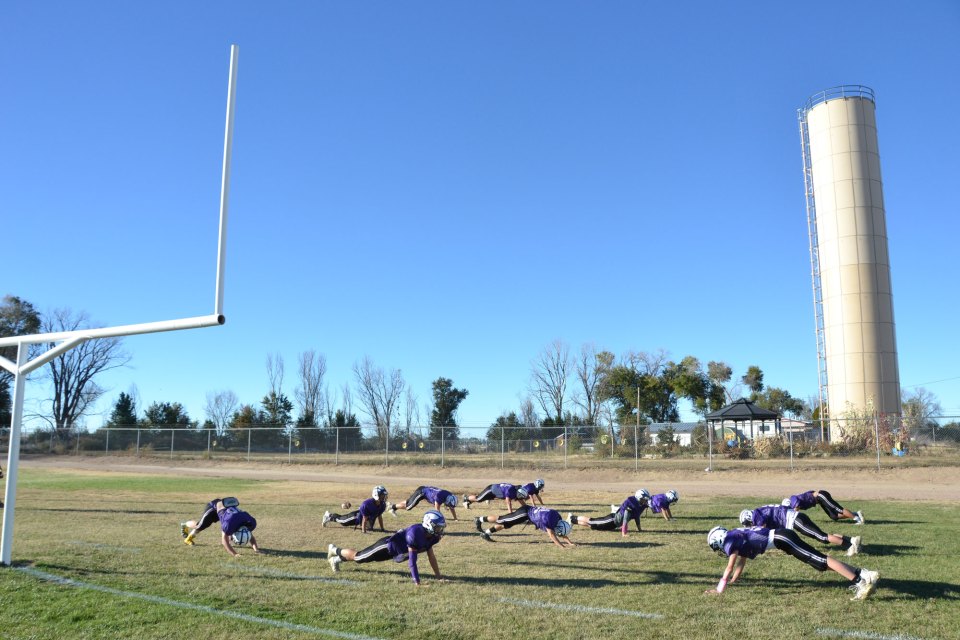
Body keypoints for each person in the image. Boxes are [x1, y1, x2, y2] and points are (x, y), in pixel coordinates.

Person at [705, 525, 879, 600]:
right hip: (782, 538)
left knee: (820, 560)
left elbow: (730, 567)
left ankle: (860, 582)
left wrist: (719, 590)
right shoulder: (735, 535)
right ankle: (863, 574)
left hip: (782, 539)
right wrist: (735, 581)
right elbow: (741, 563)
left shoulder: (729, 541)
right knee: (820, 561)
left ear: (718, 541)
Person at [327, 509, 448, 587]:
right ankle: (334, 550)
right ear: (428, 525)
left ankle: (336, 559)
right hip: (386, 546)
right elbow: (412, 561)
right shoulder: (415, 533)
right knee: (358, 557)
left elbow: (431, 556)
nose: (440, 530)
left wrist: (438, 577)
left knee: (364, 559)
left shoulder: (432, 536)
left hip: (393, 553)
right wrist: (417, 582)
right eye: (438, 527)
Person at [740, 504, 861, 556]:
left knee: (821, 537)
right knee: (820, 534)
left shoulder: (757, 515)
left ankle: (849, 545)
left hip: (795, 520)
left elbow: (763, 531)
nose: (749, 526)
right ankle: (851, 540)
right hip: (796, 518)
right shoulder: (759, 511)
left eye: (747, 523)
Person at [181, 497, 261, 557]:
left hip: (227, 511)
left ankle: (188, 539)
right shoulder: (229, 524)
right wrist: (235, 554)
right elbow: (224, 541)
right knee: (199, 526)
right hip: (214, 508)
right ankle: (185, 524)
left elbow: (249, 535)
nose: (232, 539)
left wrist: (256, 549)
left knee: (227, 531)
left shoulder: (250, 523)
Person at [474, 505, 574, 548]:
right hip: (525, 513)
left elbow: (561, 532)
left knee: (506, 525)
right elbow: (552, 536)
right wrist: (562, 546)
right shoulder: (550, 521)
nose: (558, 533)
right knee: (502, 519)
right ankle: (479, 519)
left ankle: (486, 533)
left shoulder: (557, 517)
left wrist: (570, 543)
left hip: (529, 515)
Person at [569, 489, 650, 537]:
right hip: (611, 520)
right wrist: (624, 533)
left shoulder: (637, 504)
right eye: (644, 499)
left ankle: (573, 521)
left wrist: (640, 529)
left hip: (613, 525)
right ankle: (572, 518)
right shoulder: (631, 505)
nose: (645, 501)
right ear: (639, 497)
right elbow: (625, 519)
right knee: (591, 521)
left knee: (592, 525)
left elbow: (636, 517)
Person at [323, 485, 389, 534]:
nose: (384, 497)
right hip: (356, 517)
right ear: (376, 495)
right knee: (343, 521)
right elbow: (364, 518)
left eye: (384, 495)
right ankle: (329, 516)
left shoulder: (383, 504)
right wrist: (363, 531)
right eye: (382, 495)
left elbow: (379, 516)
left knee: (370, 528)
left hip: (367, 519)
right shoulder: (367, 504)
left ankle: (329, 515)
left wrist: (382, 529)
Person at [783, 489, 864, 524]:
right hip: (819, 500)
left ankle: (858, 520)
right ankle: (856, 514)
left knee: (838, 509)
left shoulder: (793, 500)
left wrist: (792, 518)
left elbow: (796, 507)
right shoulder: (793, 501)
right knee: (834, 516)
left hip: (821, 496)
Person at [389, 485, 459, 520]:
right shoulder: (440, 496)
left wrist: (455, 518)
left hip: (425, 491)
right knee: (408, 507)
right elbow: (437, 511)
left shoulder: (449, 496)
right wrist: (441, 519)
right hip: (422, 492)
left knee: (409, 502)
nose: (448, 506)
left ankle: (393, 508)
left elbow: (452, 508)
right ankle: (392, 507)